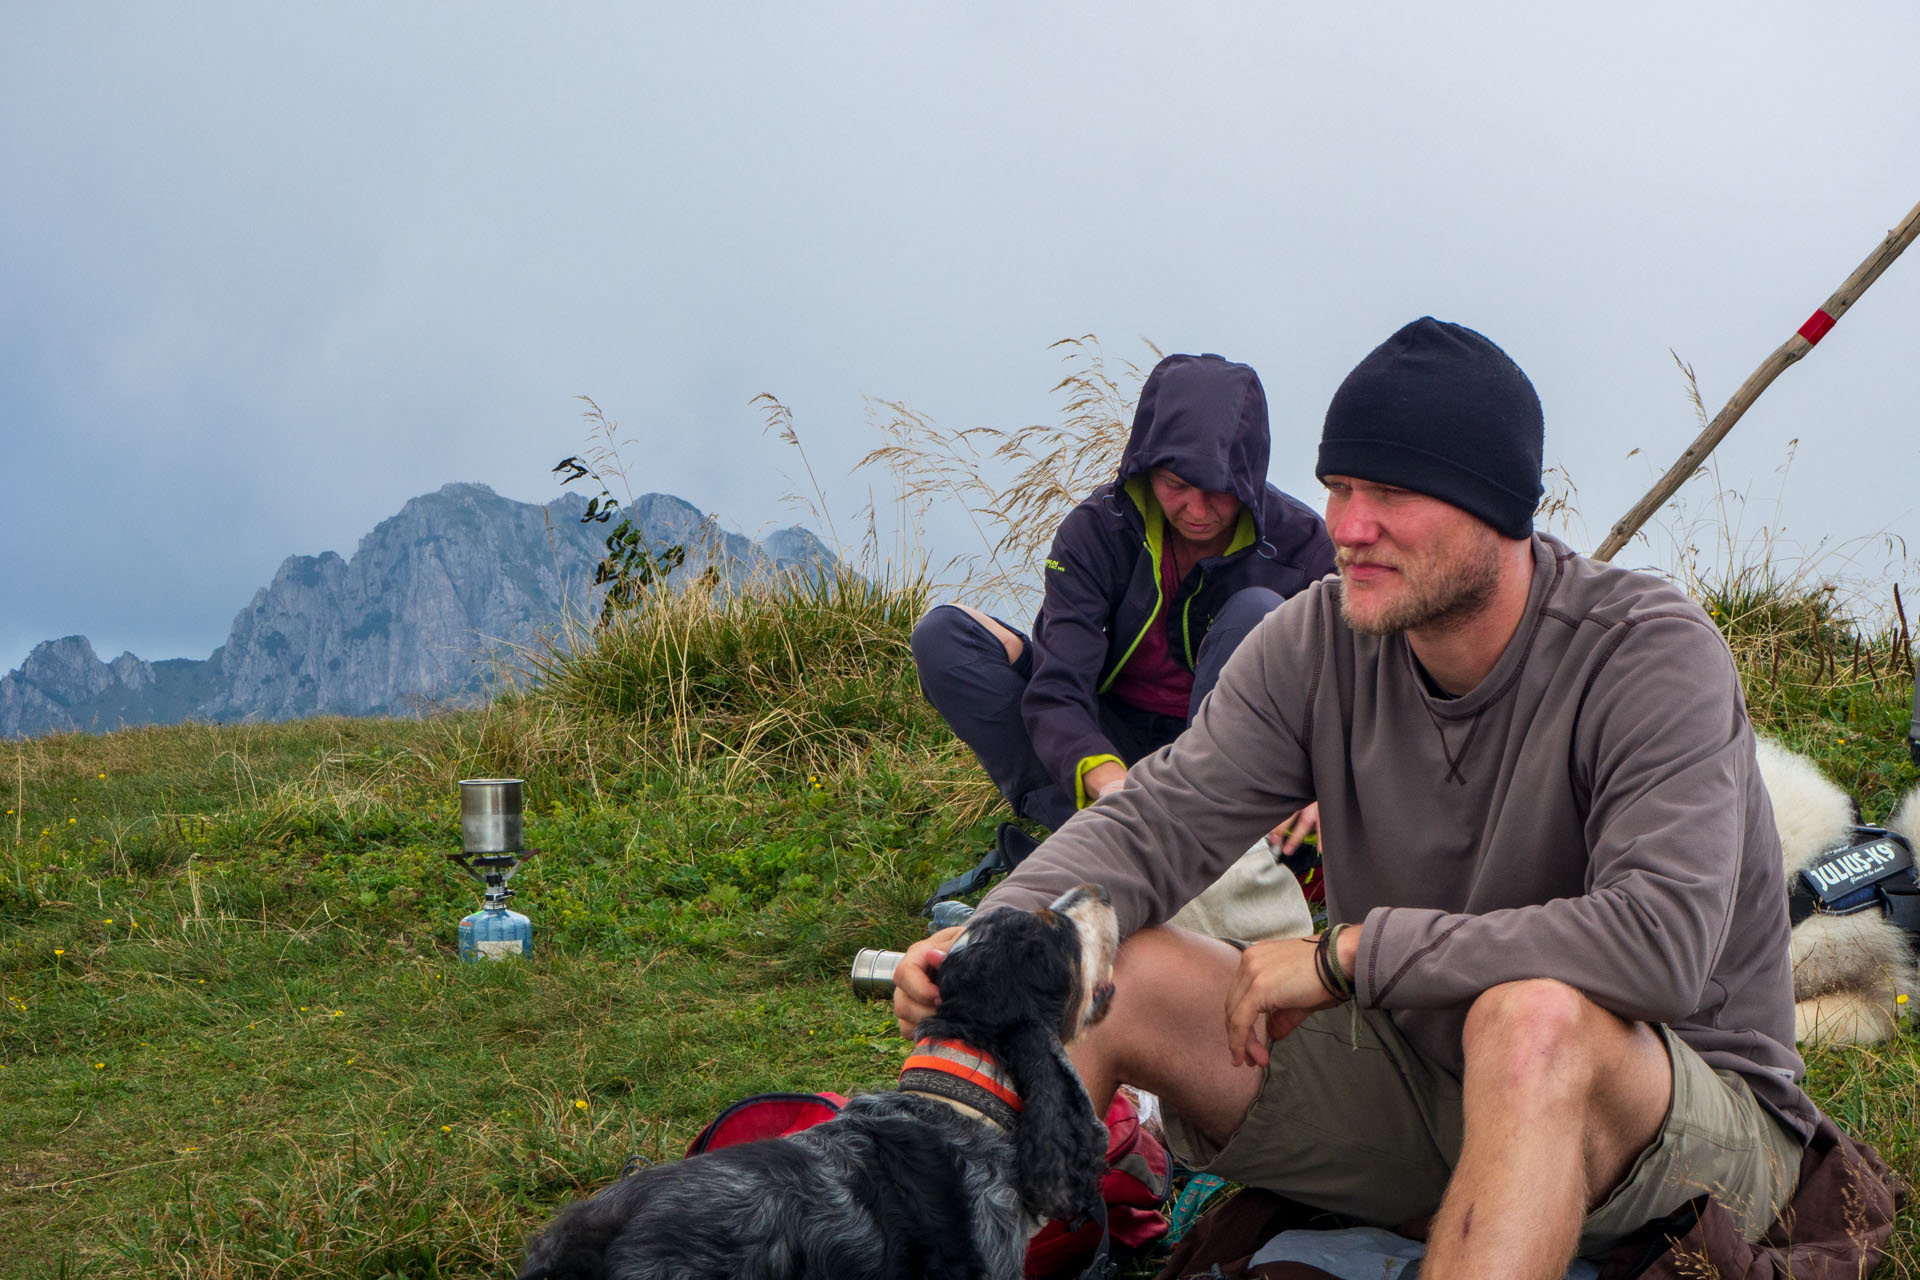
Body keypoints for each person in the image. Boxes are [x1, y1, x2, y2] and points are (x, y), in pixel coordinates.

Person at [895, 319, 1818, 1280]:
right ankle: (998, 1254)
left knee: (1531, 1019)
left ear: (1494, 509)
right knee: (1109, 965)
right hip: (1426, 1084)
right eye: (1338, 488)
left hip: (1686, 1119)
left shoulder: (1648, 653)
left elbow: (1657, 947)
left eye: (1389, 493)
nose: (1346, 525)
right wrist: (992, 936)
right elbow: (1155, 823)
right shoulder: (1318, 640)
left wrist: (1349, 957)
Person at [911, 352, 1335, 840]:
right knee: (943, 637)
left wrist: (1316, 784)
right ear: (1147, 468)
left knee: (1258, 612)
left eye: (1219, 491)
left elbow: (1339, 701)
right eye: (1175, 485)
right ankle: (1106, 832)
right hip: (1114, 742)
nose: (1196, 510)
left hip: (1236, 766)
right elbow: (1059, 690)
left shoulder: (1304, 549)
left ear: (1250, 478)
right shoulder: (1096, 531)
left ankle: (1200, 838)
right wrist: (1111, 782)